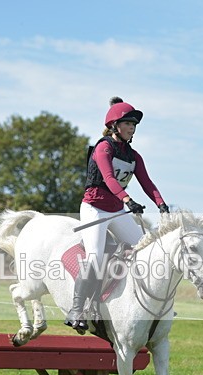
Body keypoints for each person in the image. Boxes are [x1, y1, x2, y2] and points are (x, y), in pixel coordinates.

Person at [65, 97, 170, 333]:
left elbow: (147, 183)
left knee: (145, 249)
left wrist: (161, 204)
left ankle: (146, 303)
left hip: (116, 210)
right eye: (128, 124)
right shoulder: (103, 148)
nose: (132, 128)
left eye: (134, 125)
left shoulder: (134, 156)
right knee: (94, 258)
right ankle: (77, 309)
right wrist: (127, 200)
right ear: (115, 126)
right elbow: (110, 179)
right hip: (94, 208)